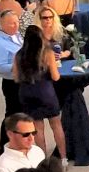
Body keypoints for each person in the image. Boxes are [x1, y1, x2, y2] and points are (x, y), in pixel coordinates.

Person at [15, 22, 64, 155]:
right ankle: (63, 158)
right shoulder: (47, 53)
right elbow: (55, 77)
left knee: (38, 129)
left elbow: (16, 77)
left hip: (26, 93)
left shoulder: (19, 55)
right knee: (56, 125)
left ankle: (43, 159)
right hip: (45, 92)